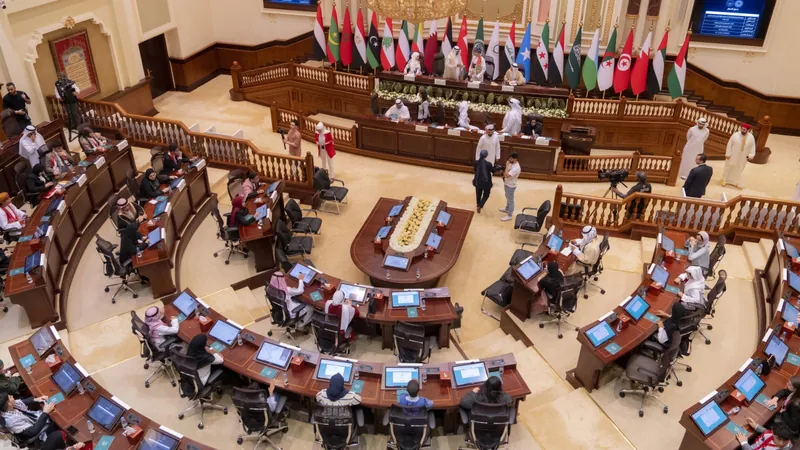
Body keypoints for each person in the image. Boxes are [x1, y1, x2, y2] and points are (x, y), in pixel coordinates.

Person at [722, 123, 756, 188]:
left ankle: (735, 181)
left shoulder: (751, 137)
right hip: (733, 155)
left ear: (748, 130)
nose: (742, 130)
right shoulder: (735, 135)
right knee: (729, 167)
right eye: (742, 129)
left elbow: (753, 147)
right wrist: (728, 153)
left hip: (743, 157)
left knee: (739, 168)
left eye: (744, 130)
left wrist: (751, 155)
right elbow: (729, 144)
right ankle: (724, 180)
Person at [499, 153, 521, 222]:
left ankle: (509, 215)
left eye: (511, 158)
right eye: (509, 158)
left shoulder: (516, 168)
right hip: (507, 183)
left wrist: (507, 165)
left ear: (515, 159)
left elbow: (506, 175)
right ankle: (507, 209)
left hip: (511, 186)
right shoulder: (512, 163)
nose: (509, 159)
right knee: (507, 196)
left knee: (510, 200)